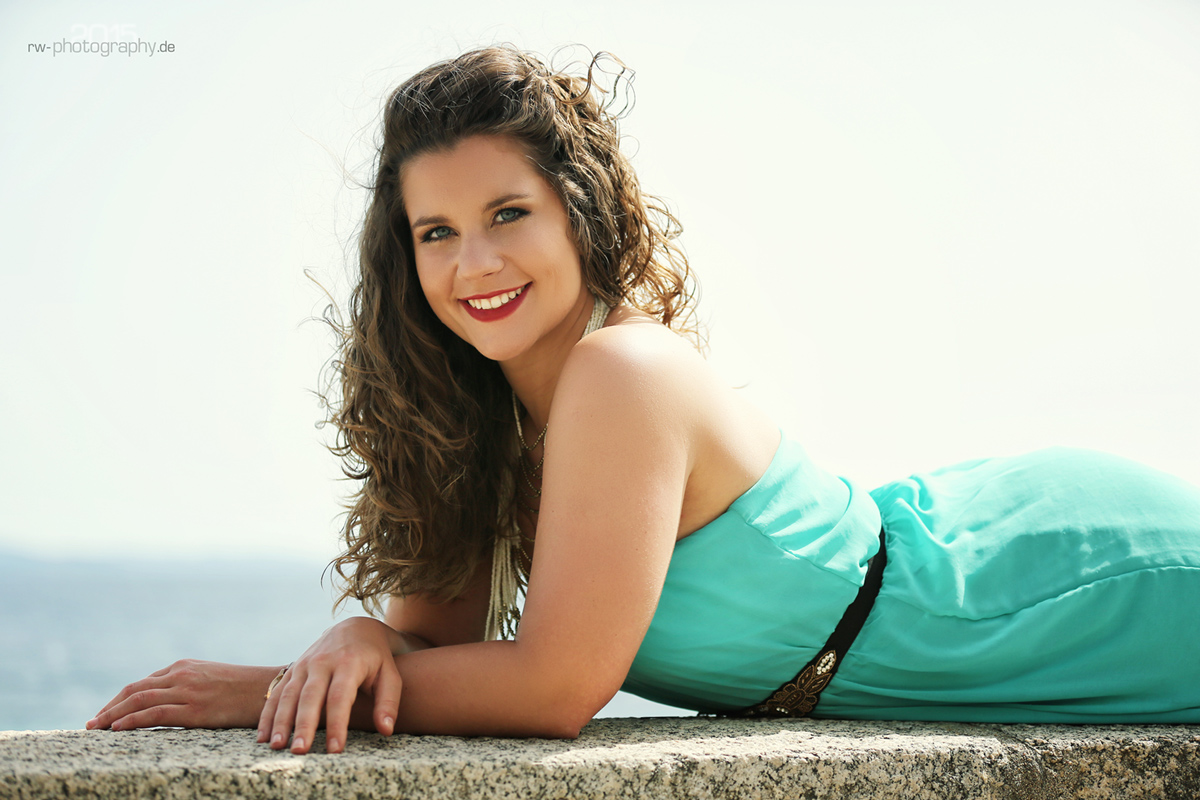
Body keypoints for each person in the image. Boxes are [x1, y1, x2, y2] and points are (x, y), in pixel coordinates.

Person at [87, 45, 1200, 754]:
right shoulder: (470, 428)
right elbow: (433, 652)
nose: (475, 263)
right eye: (437, 232)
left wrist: (264, 691)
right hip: (949, 619)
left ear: (577, 212)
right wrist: (357, 636)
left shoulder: (623, 373)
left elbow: (554, 688)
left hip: (1043, 591)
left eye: (508, 214)